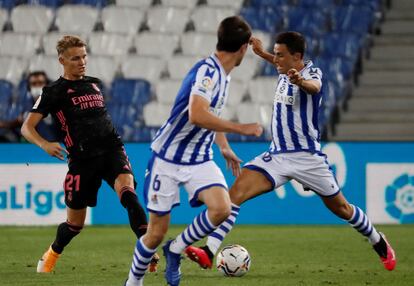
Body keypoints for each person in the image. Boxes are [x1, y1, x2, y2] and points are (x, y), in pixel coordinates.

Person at [185, 31, 397, 272]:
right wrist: (261, 53)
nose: (276, 60)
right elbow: (280, 64)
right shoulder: (284, 69)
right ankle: (209, 251)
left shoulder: (311, 73)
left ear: (297, 57)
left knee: (342, 208)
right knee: (235, 195)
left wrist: (300, 82)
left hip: (307, 158)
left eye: (280, 55)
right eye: (275, 55)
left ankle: (377, 241)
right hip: (277, 156)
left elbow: (314, 87)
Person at [124, 16, 263, 286]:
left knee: (222, 208)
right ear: (244, 48)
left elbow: (210, 114)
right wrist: (241, 128)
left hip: (199, 157)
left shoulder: (224, 75)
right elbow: (197, 114)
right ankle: (133, 283)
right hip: (167, 158)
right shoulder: (208, 72)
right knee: (155, 233)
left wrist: (223, 146)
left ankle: (175, 249)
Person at [21, 35, 157, 274]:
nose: (82, 61)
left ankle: (147, 250)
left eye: (84, 56)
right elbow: (26, 127)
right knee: (74, 225)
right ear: (62, 60)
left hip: (112, 149)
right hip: (82, 160)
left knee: (128, 194)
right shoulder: (53, 91)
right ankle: (52, 253)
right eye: (76, 58)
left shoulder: (95, 83)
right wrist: (45, 144)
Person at [0, 71, 57, 142]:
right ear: (29, 87)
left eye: (40, 83)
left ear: (47, 84)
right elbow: (18, 122)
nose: (37, 86)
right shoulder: (24, 106)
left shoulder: (56, 103)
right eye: (34, 84)